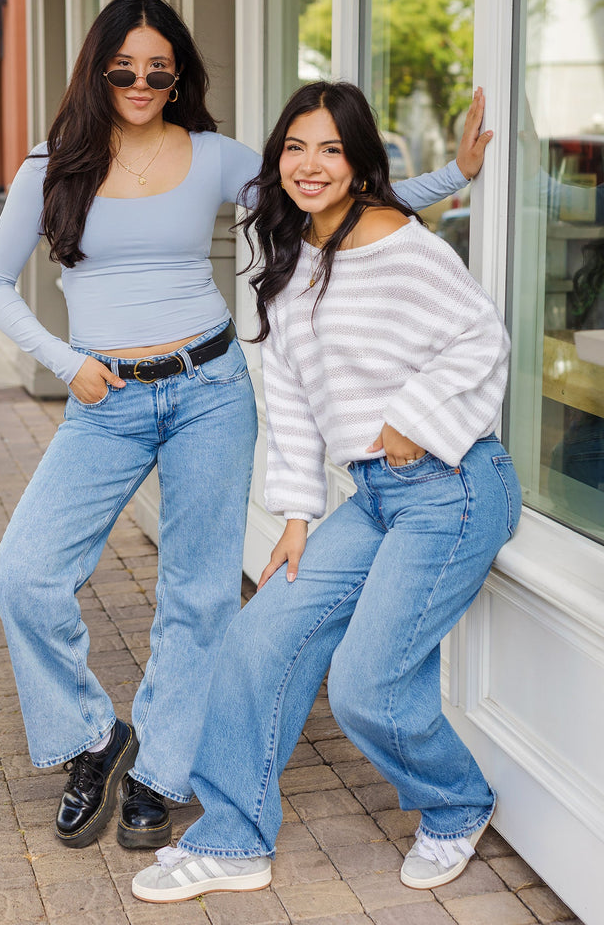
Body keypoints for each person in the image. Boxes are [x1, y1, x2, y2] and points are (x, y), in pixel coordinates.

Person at [0, 0, 488, 853]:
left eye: (159, 69)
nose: (141, 83)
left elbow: (325, 194)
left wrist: (454, 177)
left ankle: (162, 769)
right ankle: (93, 738)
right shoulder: (51, 165)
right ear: (98, 72)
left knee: (199, 592)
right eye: (124, 69)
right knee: (22, 574)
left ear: (179, 76)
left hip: (209, 389)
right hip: (105, 400)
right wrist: (67, 363)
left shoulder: (209, 156)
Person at [131, 80, 521, 903]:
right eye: (296, 148)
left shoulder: (400, 244)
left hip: (452, 490)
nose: (310, 165)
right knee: (256, 640)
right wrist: (298, 514)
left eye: (332, 150)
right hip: (374, 499)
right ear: (277, 158)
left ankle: (457, 802)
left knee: (367, 685)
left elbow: (483, 338)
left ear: (361, 164)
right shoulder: (291, 258)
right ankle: (234, 841)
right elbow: (296, 405)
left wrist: (414, 417)